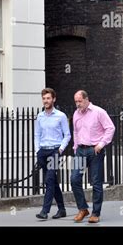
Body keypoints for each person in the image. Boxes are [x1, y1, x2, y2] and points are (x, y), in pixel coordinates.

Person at [71, 90, 115, 223]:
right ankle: (83, 209)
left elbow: (110, 128)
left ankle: (95, 213)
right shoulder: (76, 114)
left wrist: (101, 144)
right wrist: (75, 147)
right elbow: (76, 132)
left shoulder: (98, 112)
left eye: (80, 101)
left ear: (86, 100)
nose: (78, 104)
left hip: (95, 150)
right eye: (76, 101)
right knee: (74, 179)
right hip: (80, 150)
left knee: (96, 182)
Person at [34, 88, 71, 220]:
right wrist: (37, 150)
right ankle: (62, 209)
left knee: (49, 180)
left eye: (48, 98)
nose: (46, 101)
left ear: (53, 99)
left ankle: (45, 211)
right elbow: (37, 134)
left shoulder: (60, 116)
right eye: (44, 98)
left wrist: (60, 149)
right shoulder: (39, 116)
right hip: (42, 151)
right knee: (53, 182)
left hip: (55, 150)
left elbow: (67, 135)